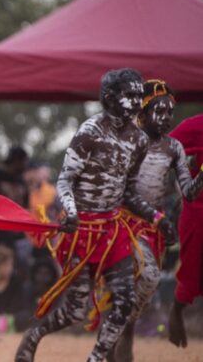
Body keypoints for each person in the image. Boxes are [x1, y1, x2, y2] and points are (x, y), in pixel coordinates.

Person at [15, 68, 174, 362]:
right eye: (130, 95)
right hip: (80, 233)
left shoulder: (138, 141)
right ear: (110, 98)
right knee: (75, 310)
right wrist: (72, 213)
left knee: (124, 302)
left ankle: (97, 359)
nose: (137, 102)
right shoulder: (90, 132)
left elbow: (127, 192)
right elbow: (64, 180)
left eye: (140, 96)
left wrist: (157, 218)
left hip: (113, 232)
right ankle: (34, 335)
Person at [107, 80, 201, 361]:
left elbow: (188, 191)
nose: (166, 118)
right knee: (117, 282)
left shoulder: (174, 148)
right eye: (159, 111)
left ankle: (127, 325)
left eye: (170, 112)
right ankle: (115, 336)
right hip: (119, 220)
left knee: (149, 278)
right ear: (142, 113)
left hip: (151, 226)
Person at [166, 113, 203, 349]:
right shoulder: (197, 126)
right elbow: (161, 152)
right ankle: (177, 308)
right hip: (198, 211)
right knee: (191, 275)